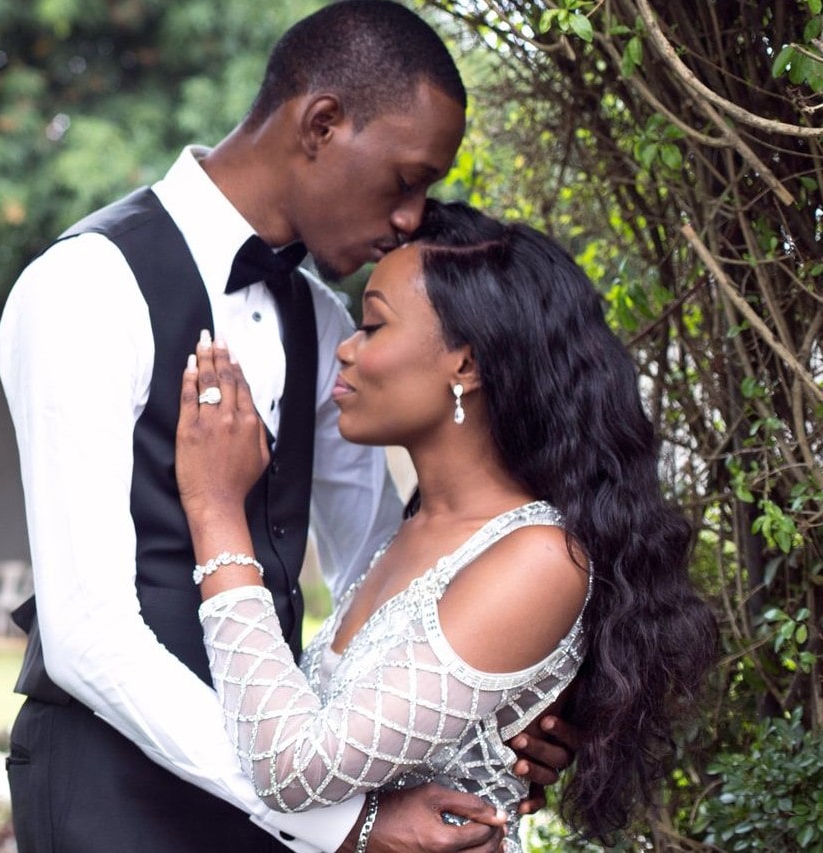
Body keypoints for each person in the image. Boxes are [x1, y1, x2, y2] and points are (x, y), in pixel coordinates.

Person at [0, 3, 574, 851]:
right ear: (322, 125)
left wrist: (496, 708)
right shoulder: (86, 287)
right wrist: (341, 819)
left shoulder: (329, 325)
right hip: (113, 793)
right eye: (406, 178)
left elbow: (383, 584)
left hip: (278, 794)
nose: (413, 216)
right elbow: (86, 636)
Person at [174, 200, 718, 852]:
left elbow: (295, 768)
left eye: (373, 325)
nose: (346, 350)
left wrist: (215, 511)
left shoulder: (537, 558)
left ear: (466, 363)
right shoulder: (409, 536)